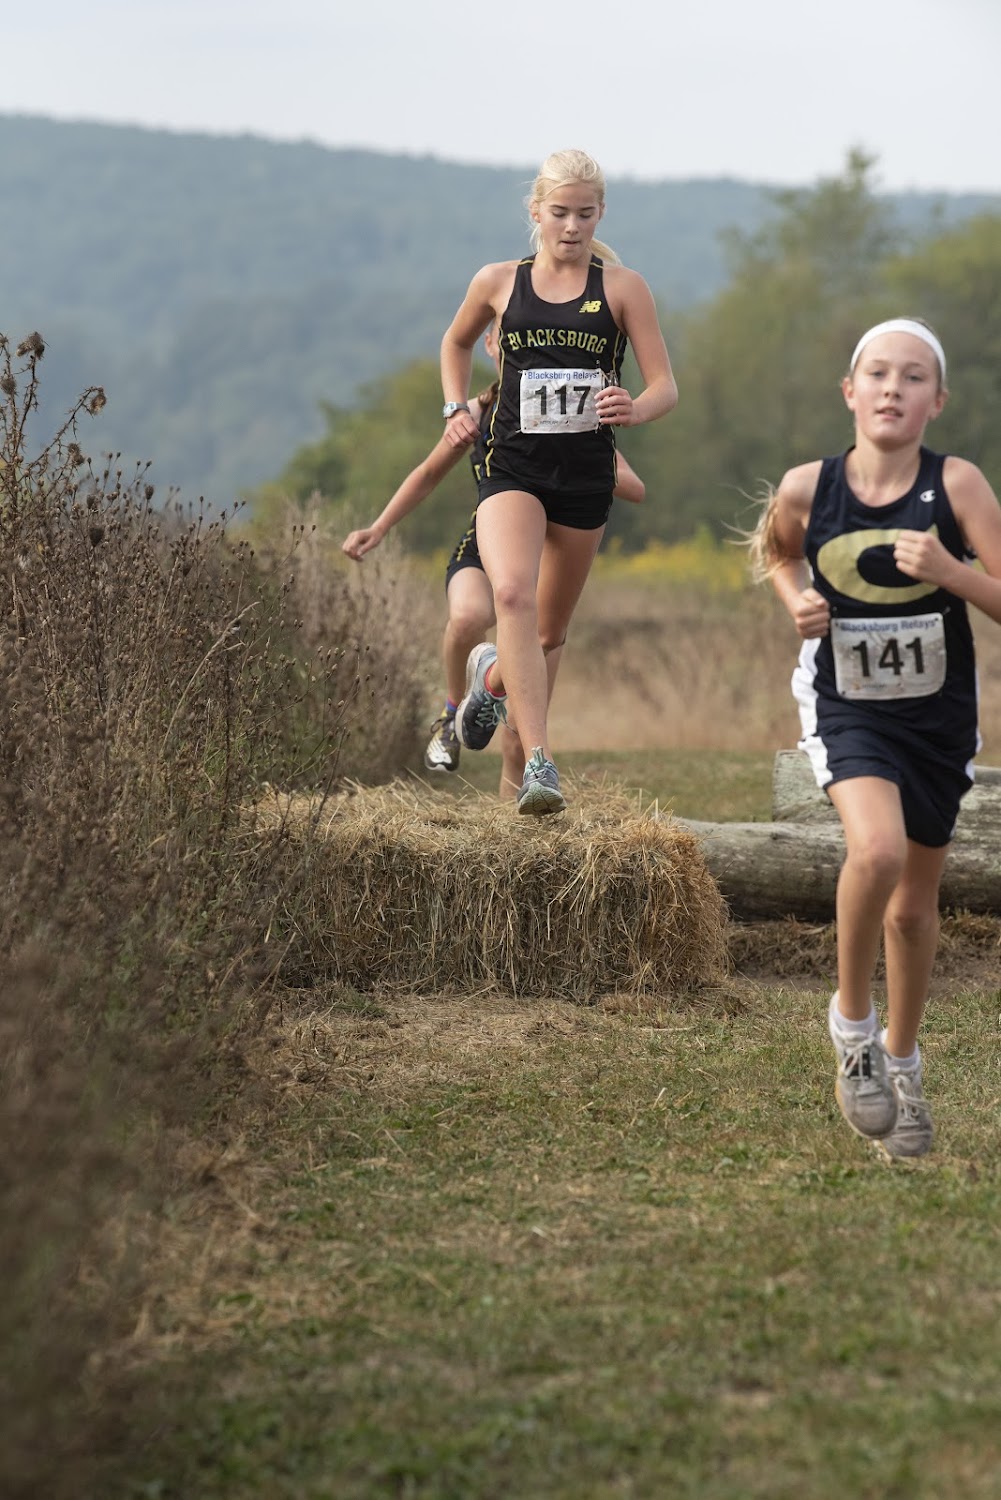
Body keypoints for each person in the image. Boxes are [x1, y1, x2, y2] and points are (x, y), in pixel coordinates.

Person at [750, 317, 1001, 1159]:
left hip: (936, 721)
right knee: (878, 850)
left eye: (913, 376)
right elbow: (779, 552)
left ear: (937, 401)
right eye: (878, 373)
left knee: (914, 909)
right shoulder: (807, 487)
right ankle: (851, 1026)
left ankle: (901, 1060)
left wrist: (953, 573)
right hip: (845, 704)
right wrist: (795, 599)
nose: (893, 388)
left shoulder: (957, 485)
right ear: (849, 393)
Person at [440, 147, 677, 815]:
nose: (571, 226)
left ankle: (492, 678)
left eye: (585, 214)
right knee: (511, 594)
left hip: (584, 475)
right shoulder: (497, 281)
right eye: (559, 213)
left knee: (547, 635)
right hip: (512, 465)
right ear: (536, 212)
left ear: (600, 214)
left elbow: (665, 385)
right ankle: (541, 763)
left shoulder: (623, 288)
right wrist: (455, 407)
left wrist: (634, 407)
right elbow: (455, 343)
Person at [341, 322, 644, 799]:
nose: (522, 344)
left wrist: (578, 457)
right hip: (488, 544)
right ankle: (452, 714)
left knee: (519, 736)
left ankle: (513, 825)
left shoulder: (569, 401)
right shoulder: (478, 411)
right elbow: (428, 473)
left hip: (546, 559)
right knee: (468, 616)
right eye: (508, 335)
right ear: (490, 344)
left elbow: (635, 487)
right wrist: (378, 528)